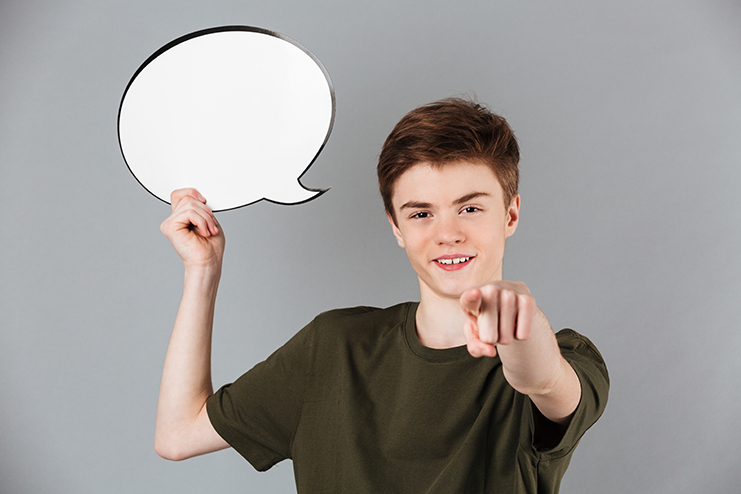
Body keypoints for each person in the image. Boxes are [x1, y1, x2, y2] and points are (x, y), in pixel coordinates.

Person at [154, 98, 609, 493]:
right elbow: (178, 435)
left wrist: (518, 325)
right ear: (396, 228)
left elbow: (545, 380)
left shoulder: (566, 355)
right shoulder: (333, 346)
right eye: (421, 214)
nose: (447, 233)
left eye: (470, 208)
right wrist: (203, 269)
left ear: (509, 214)